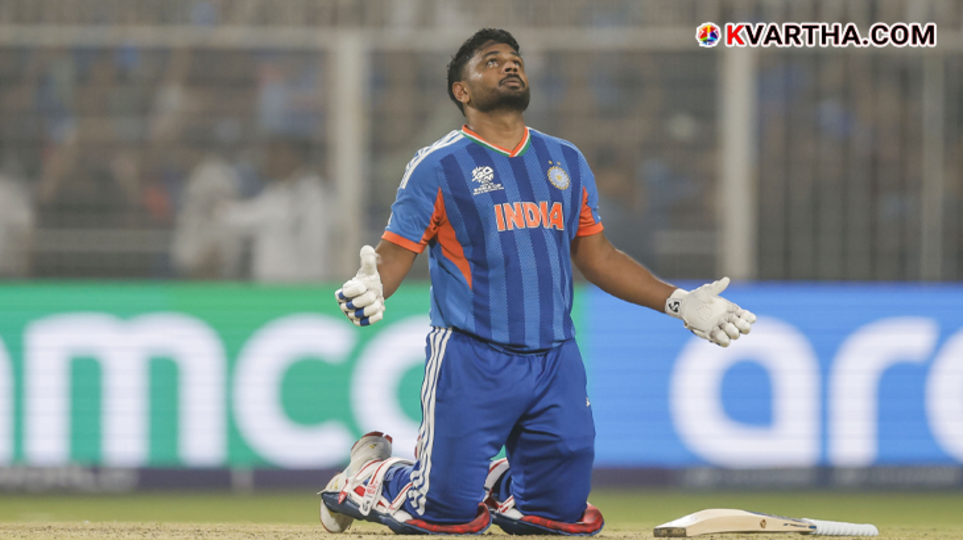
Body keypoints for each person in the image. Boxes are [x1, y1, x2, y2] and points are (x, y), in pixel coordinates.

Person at [319, 28, 756, 536]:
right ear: (461, 91)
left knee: (555, 516)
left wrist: (680, 302)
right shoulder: (437, 166)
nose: (510, 66)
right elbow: (392, 256)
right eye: (491, 61)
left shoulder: (565, 160)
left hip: (555, 361)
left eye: (514, 59)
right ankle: (368, 474)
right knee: (442, 517)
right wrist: (373, 287)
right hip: (471, 357)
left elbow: (598, 257)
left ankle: (483, 477)